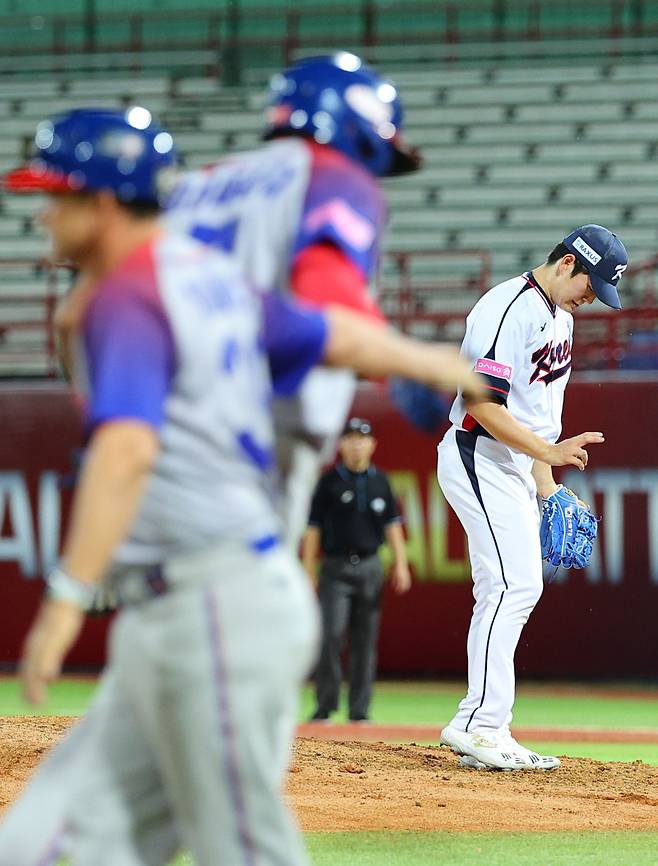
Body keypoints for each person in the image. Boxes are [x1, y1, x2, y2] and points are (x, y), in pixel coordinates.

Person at [0, 108, 484, 866]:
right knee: (52, 839)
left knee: (244, 847)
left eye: (54, 197)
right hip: (185, 612)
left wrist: (64, 599)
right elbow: (336, 335)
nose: (41, 213)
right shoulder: (204, 277)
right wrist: (437, 365)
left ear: (98, 205)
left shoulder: (128, 293)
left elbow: (125, 449)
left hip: (217, 607)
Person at [165, 50, 422, 549]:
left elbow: (89, 313)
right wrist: (403, 364)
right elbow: (325, 297)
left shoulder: (193, 185)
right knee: (249, 616)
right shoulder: (333, 176)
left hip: (156, 436)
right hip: (251, 439)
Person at [437, 224, 628, 772]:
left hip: (514, 462)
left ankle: (484, 723)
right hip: (478, 453)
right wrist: (551, 453)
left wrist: (548, 488)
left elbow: (537, 419)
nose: (594, 295)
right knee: (514, 584)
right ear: (568, 262)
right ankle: (480, 723)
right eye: (592, 282)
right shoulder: (507, 308)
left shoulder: (562, 319)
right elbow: (484, 408)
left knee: (506, 585)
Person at [302, 417, 411, 723]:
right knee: (330, 636)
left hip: (370, 565)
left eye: (362, 438)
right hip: (335, 567)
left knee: (365, 640)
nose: (356, 444)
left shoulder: (381, 482)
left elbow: (393, 526)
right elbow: (312, 531)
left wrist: (401, 564)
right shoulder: (329, 482)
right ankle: (325, 707)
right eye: (350, 438)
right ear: (341, 445)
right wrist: (309, 570)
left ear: (372, 444)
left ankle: (359, 712)